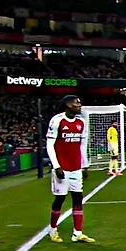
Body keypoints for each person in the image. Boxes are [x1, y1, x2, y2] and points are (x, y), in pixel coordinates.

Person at [46, 95, 94, 243]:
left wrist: (84, 165)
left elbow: (82, 145)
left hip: (76, 167)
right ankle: (53, 230)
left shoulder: (81, 122)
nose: (80, 105)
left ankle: (77, 233)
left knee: (78, 198)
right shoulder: (57, 120)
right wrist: (56, 166)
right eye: (76, 103)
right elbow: (50, 144)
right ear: (68, 105)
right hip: (62, 167)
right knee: (60, 198)